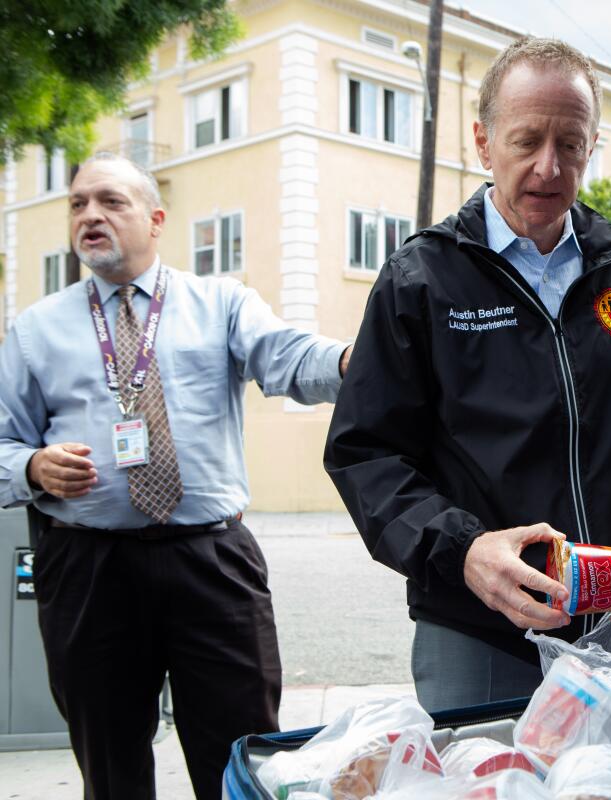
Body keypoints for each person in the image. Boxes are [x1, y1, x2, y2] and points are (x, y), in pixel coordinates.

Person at [324, 37, 611, 711]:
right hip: (479, 633)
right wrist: (463, 550)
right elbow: (367, 453)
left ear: (594, 147)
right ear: (482, 141)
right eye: (526, 140)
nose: (548, 166)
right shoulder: (422, 277)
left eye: (571, 144)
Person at [0, 152, 351, 800]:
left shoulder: (217, 303)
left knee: (241, 756)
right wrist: (30, 465)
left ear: (156, 218)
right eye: (78, 203)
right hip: (86, 569)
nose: (90, 215)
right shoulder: (35, 331)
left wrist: (356, 359)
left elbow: (288, 359)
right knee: (110, 762)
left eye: (111, 201)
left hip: (208, 559)